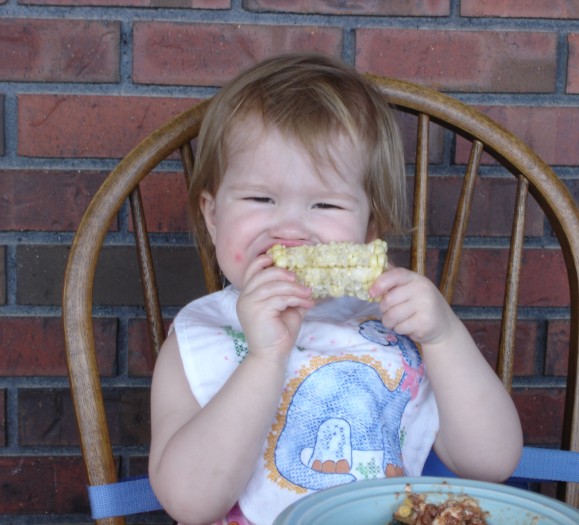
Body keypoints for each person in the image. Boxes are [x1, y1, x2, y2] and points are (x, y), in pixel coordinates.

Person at [148, 52, 523, 525]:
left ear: (371, 231)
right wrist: (264, 358)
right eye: (261, 199)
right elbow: (189, 503)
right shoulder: (200, 337)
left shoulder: (393, 328)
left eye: (324, 204)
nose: (290, 228)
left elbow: (491, 462)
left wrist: (445, 337)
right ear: (213, 215)